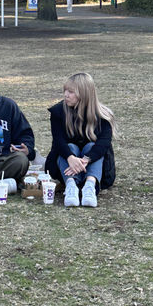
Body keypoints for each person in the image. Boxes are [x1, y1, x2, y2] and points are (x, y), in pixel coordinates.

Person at [45, 73, 116, 208]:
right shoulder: (58, 112)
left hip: (96, 166)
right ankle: (71, 186)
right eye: (65, 90)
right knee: (69, 147)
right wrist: (70, 158)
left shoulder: (103, 116)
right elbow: (58, 141)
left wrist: (86, 160)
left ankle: (90, 186)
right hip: (65, 164)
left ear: (84, 94)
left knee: (92, 147)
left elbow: (103, 144)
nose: (66, 95)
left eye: (71, 92)